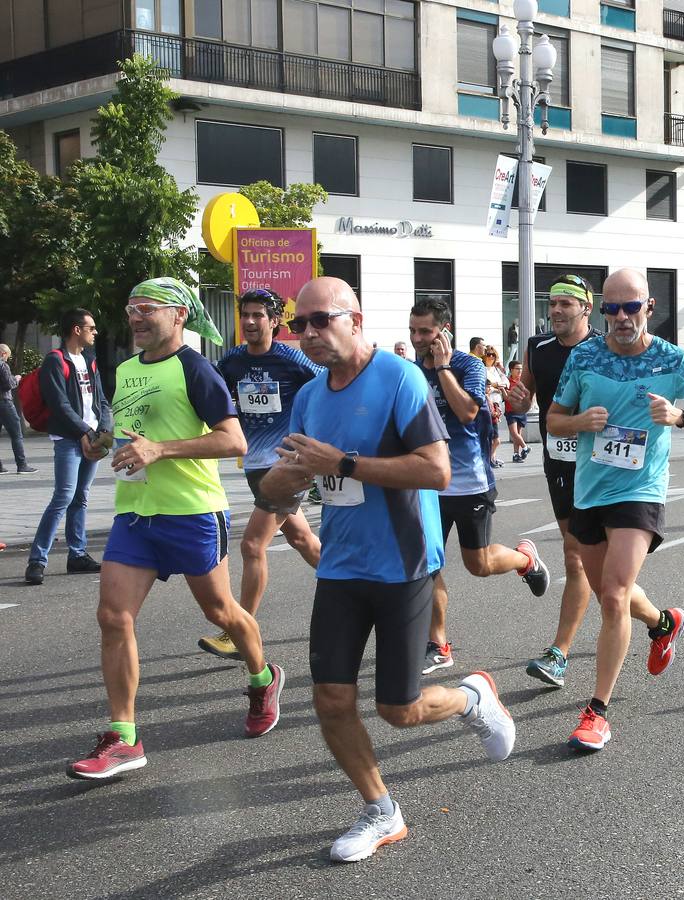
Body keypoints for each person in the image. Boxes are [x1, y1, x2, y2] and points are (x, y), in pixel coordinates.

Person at [259, 277, 515, 863]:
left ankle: (473, 698)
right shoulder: (310, 396)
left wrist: (342, 463)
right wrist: (292, 477)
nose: (309, 334)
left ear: (356, 319)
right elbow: (275, 490)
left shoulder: (399, 378)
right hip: (341, 567)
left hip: (402, 564)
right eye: (300, 324)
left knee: (398, 710)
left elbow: (436, 471)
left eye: (321, 320)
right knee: (330, 699)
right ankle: (381, 810)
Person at [69, 278, 283, 780]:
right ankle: (124, 737)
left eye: (148, 308)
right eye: (131, 308)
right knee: (113, 616)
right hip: (136, 512)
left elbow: (232, 441)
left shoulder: (197, 369)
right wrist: (101, 441)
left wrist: (160, 450)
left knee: (221, 611)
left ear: (180, 315)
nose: (137, 317)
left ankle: (262, 678)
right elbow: (132, 428)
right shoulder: (123, 369)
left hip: (191, 511)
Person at [546, 268, 684, 750]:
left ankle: (598, 712)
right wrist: (580, 421)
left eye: (632, 307)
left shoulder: (671, 359)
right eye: (612, 308)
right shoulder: (583, 356)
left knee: (611, 594)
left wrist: (680, 415)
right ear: (601, 311)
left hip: (641, 490)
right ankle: (664, 622)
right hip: (590, 491)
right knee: (614, 589)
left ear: (649, 307)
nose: (622, 317)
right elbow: (553, 419)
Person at [508, 274, 657, 690]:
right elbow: (527, 394)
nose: (555, 310)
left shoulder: (601, 348)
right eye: (552, 303)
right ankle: (660, 620)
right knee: (592, 569)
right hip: (558, 461)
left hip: (605, 463)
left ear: (586, 309)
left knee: (589, 565)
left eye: (565, 304)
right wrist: (518, 406)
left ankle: (558, 653)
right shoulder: (537, 348)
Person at [409, 298, 549, 676]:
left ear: (445, 331)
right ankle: (438, 644)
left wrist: (441, 370)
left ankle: (525, 559)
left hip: (469, 483)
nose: (418, 338)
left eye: (426, 331)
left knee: (479, 564)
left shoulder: (468, 365)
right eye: (413, 331)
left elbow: (467, 411)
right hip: (426, 485)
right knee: (426, 565)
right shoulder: (408, 371)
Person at [207, 288, 325, 661]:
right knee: (303, 540)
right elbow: (215, 395)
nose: (250, 322)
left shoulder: (293, 359)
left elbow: (331, 386)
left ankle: (238, 631)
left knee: (252, 545)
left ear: (275, 321)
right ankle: (360, 589)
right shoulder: (234, 360)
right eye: (246, 315)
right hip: (255, 465)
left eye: (259, 315)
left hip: (287, 465)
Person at [25, 308, 111, 585]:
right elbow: (59, 405)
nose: (95, 332)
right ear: (77, 330)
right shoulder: (55, 361)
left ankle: (77, 554)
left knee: (81, 497)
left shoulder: (90, 359)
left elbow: (103, 400)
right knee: (63, 496)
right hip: (68, 438)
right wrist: (84, 430)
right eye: (91, 328)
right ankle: (37, 559)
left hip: (92, 435)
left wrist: (104, 429)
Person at [0, 343, 34, 474]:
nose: (7, 359)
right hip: (4, 402)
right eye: (7, 356)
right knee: (16, 435)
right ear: (3, 354)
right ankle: (22, 465)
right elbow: (9, 384)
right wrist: (16, 379)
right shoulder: (2, 365)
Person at [482, 345, 508, 468]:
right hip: (487, 404)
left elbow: (506, 383)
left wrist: (497, 383)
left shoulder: (496, 370)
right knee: (493, 436)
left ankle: (492, 457)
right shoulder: (482, 369)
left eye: (493, 355)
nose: (491, 357)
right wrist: (495, 386)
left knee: (494, 437)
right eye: (488, 355)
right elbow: (486, 385)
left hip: (496, 405)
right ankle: (489, 458)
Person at [504, 360, 531, 463]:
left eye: (521, 369)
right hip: (511, 411)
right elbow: (505, 396)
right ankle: (525, 447)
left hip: (521, 411)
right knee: (514, 433)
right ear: (511, 370)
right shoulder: (506, 381)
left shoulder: (522, 382)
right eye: (517, 369)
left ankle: (516, 454)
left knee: (518, 433)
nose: (520, 371)